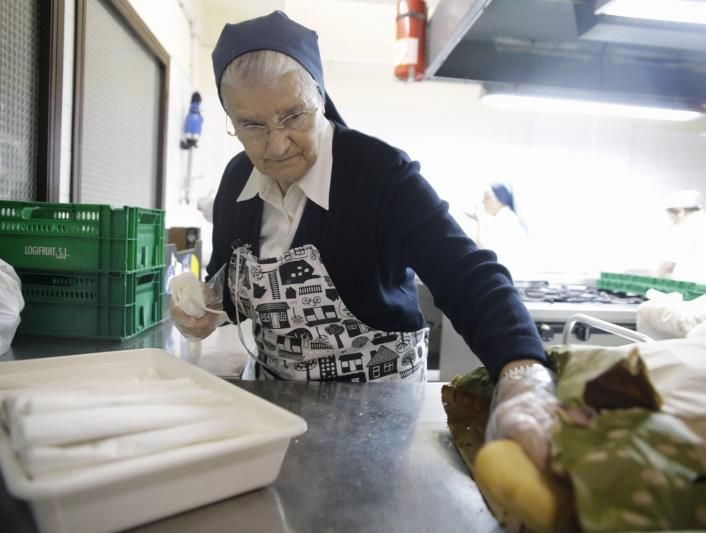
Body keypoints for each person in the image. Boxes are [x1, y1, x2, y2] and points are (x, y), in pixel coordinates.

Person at [170, 11, 556, 470]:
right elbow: (232, 282)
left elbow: (468, 274)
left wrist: (524, 373)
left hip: (381, 421)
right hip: (275, 415)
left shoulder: (382, 175)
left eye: (293, 115)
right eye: (251, 125)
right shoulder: (237, 180)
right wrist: (209, 306)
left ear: (319, 95)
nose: (276, 146)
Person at [465, 183, 531, 276]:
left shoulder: (506, 220)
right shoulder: (506, 217)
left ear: (499, 199)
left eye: (486, 197)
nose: (483, 201)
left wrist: (479, 220)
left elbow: (485, 251)